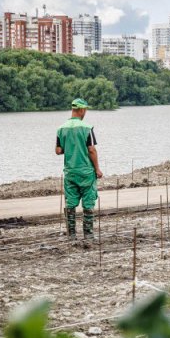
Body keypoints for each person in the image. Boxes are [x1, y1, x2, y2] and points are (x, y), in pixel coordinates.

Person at [55, 98, 104, 240]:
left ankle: (71, 235)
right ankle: (88, 235)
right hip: (86, 172)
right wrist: (98, 169)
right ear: (82, 110)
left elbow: (58, 150)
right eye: (86, 110)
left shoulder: (61, 128)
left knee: (70, 203)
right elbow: (91, 150)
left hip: (70, 172)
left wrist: (70, 148)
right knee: (88, 202)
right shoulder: (87, 128)